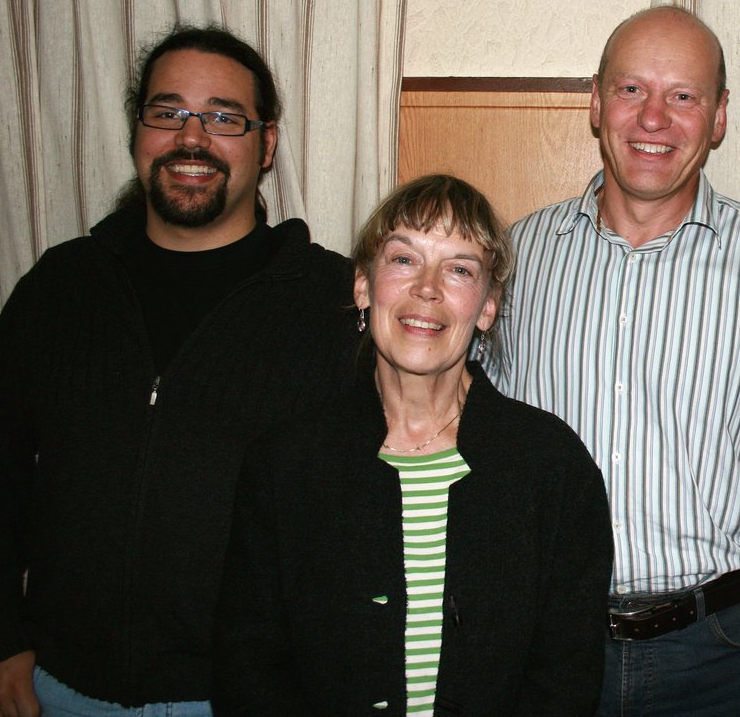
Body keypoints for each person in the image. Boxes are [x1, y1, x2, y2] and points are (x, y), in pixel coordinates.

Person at [0, 25, 355, 717]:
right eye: (168, 112)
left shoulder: (334, 303)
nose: (191, 138)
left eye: (224, 117)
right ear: (138, 131)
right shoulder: (61, 287)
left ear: (266, 144)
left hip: (248, 697)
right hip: (56, 691)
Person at [489, 5, 740, 717]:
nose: (653, 118)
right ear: (596, 103)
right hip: (548, 649)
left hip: (720, 657)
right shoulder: (516, 258)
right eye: (631, 89)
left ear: (718, 117)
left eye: (682, 95)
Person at [211, 174, 613, 716]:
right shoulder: (285, 463)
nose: (427, 288)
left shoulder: (552, 466)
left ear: (488, 308)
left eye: (460, 269)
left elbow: (566, 679)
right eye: (404, 259)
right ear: (362, 286)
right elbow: (248, 667)